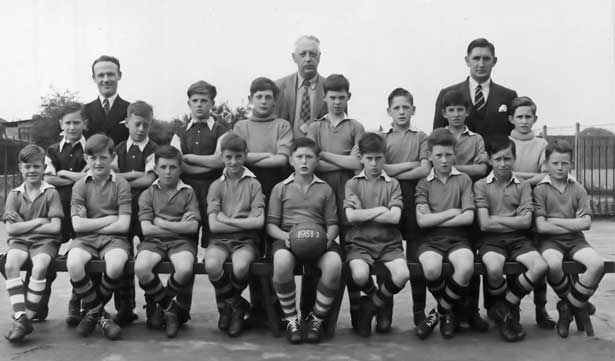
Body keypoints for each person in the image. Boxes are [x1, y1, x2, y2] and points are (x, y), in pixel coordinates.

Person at [267, 137, 342, 344]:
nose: (304, 161)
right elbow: (271, 226)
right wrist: (286, 237)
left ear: (316, 161)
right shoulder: (280, 188)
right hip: (289, 239)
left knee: (334, 264)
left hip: (319, 240)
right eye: (299, 157)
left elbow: (333, 223)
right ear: (291, 160)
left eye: (309, 157)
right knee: (281, 262)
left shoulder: (325, 189)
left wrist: (329, 238)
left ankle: (316, 319)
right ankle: (292, 320)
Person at [474, 137, 548, 342]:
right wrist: (513, 218)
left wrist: (497, 219)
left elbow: (525, 223)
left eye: (508, 158)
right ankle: (507, 317)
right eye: (498, 159)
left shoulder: (523, 185)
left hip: (519, 240)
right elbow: (484, 224)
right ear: (489, 160)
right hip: (491, 241)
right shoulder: (481, 185)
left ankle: (504, 306)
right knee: (494, 268)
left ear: (514, 159)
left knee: (540, 266)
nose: (503, 163)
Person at [306, 73, 364, 325]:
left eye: (342, 97)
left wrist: (325, 154)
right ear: (324, 97)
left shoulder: (356, 127)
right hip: (319, 193)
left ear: (348, 97)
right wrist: (342, 160)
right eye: (332, 97)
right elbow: (310, 164)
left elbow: (357, 163)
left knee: (353, 252)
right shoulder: (315, 127)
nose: (337, 102)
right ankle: (310, 312)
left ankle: (358, 313)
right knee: (315, 248)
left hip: (349, 192)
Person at [169, 80, 229, 322]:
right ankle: (181, 308)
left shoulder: (222, 130)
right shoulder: (179, 132)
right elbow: (176, 164)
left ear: (213, 103)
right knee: (186, 248)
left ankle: (226, 309)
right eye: (195, 100)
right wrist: (198, 165)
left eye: (205, 100)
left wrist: (191, 160)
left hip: (216, 194)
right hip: (186, 196)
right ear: (189, 103)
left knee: (217, 250)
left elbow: (219, 162)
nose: (200, 105)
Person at [534, 140, 605, 338]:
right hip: (550, 241)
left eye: (564, 163)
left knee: (597, 264)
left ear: (571, 164)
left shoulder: (578, 188)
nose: (560, 167)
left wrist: (554, 220)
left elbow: (586, 223)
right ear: (546, 164)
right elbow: (541, 226)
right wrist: (572, 221)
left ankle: (568, 308)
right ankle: (579, 303)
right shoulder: (540, 190)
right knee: (552, 265)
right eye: (555, 163)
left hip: (575, 240)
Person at [65, 134, 131, 340]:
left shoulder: (121, 184)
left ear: (112, 157)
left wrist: (94, 225)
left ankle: (91, 313)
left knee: (115, 265)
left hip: (115, 240)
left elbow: (124, 224)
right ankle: (101, 315)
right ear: (86, 159)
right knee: (74, 264)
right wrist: (110, 218)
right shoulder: (80, 185)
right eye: (93, 158)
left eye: (103, 157)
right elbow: (78, 225)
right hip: (85, 240)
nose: (98, 162)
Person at [344, 133, 409, 337]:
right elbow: (352, 217)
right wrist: (382, 209)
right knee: (360, 274)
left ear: (384, 158)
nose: (373, 163)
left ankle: (370, 305)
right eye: (369, 158)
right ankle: (377, 300)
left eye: (378, 158)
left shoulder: (392, 184)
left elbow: (395, 218)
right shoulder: (352, 184)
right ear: (361, 158)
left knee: (402, 274)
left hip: (389, 243)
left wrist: (365, 213)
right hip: (360, 243)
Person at [414, 128, 476, 340]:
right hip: (431, 239)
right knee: (431, 269)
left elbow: (468, 218)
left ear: (455, 154)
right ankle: (447, 312)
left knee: (466, 266)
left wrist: (436, 217)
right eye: (438, 155)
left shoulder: (464, 180)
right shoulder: (423, 183)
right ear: (430, 155)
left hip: (458, 238)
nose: (443, 160)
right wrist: (451, 212)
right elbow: (423, 221)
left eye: (448, 155)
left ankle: (438, 313)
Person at [134, 145, 200, 338]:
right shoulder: (148, 193)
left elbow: (192, 228)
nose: (168, 172)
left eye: (172, 167)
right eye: (163, 167)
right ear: (155, 168)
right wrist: (177, 224)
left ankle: (162, 307)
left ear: (180, 168)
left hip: (181, 243)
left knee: (185, 269)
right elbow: (146, 229)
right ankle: (170, 308)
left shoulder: (188, 192)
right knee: (141, 268)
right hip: (153, 242)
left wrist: (161, 221)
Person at [205, 133, 265, 337]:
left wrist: (228, 220)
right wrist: (242, 223)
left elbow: (258, 222)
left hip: (246, 241)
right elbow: (213, 225)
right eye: (229, 157)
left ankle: (227, 309)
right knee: (212, 265)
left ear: (245, 155)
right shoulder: (216, 185)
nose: (233, 161)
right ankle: (235, 305)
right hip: (220, 241)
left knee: (240, 267)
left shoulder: (254, 184)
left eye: (238, 156)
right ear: (222, 156)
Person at [381, 88, 430, 330]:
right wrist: (410, 164)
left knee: (414, 256)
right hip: (387, 198)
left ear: (413, 110)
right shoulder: (382, 138)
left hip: (413, 198)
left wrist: (394, 169)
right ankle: (384, 313)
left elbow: (424, 170)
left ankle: (419, 311)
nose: (401, 112)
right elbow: (382, 170)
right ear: (389, 111)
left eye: (405, 107)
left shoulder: (421, 137)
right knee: (388, 253)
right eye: (396, 108)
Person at [3, 145, 63, 343]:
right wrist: (39, 221)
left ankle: (25, 319)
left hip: (45, 242)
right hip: (19, 242)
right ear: (20, 168)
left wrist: (24, 225)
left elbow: (55, 228)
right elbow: (11, 230)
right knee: (10, 264)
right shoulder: (14, 194)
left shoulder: (51, 193)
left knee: (39, 267)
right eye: (27, 166)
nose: (32, 170)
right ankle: (22, 318)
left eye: (36, 166)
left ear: (44, 167)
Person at [507, 96, 554, 328]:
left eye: (528, 117)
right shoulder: (505, 143)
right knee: (513, 260)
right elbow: (502, 173)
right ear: (511, 119)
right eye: (520, 117)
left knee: (538, 258)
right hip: (508, 205)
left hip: (536, 205)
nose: (524, 121)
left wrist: (519, 178)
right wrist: (528, 178)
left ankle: (541, 308)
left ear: (535, 118)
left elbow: (546, 175)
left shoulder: (542, 145)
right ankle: (511, 310)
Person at [111, 100, 159, 326]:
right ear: (127, 122)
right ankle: (125, 307)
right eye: (137, 124)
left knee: (149, 256)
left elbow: (149, 179)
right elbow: (112, 178)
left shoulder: (154, 150)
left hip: (149, 209)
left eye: (146, 125)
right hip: (122, 209)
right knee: (122, 255)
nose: (141, 129)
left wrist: (124, 176)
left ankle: (153, 306)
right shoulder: (118, 149)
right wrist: (133, 174)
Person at [43, 102, 88, 324]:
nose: (72, 127)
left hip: (82, 210)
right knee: (47, 252)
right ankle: (41, 300)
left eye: (76, 122)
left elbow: (90, 178)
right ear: (61, 124)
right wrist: (75, 176)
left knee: (79, 258)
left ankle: (76, 302)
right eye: (68, 122)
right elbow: (48, 178)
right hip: (57, 209)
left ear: (85, 124)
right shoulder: (52, 150)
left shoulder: (90, 150)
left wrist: (63, 173)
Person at [433, 38, 518, 139]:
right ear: (467, 61)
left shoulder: (509, 96)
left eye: (486, 59)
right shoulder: (446, 94)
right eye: (476, 58)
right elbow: (437, 137)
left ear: (494, 61)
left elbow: (514, 136)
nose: (481, 64)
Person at [275, 35, 328, 138]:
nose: (308, 59)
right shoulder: (279, 87)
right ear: (294, 58)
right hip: (285, 150)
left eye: (313, 54)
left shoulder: (330, 89)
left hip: (319, 151)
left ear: (319, 56)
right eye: (303, 54)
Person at [84, 55, 130, 144]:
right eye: (101, 75)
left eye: (110, 74)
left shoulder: (130, 109)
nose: (106, 80)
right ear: (94, 78)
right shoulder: (84, 111)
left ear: (119, 75)